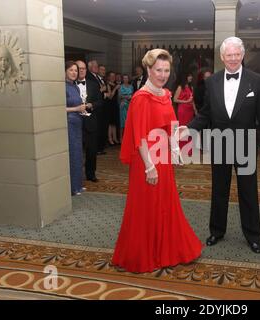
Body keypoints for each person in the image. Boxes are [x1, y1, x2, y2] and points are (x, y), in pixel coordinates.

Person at [112, 49, 203, 273]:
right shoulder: (140, 98)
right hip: (147, 162)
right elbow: (138, 136)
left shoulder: (165, 94)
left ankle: (167, 250)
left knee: (166, 204)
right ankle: (141, 254)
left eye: (166, 70)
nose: (163, 75)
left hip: (163, 158)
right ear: (148, 70)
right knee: (145, 207)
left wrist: (175, 151)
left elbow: (170, 126)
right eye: (158, 70)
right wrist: (149, 166)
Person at [183, 36, 260, 254]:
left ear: (242, 55)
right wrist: (189, 128)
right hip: (220, 143)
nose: (233, 59)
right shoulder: (212, 81)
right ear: (222, 57)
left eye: (236, 54)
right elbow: (205, 113)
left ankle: (253, 235)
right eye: (228, 55)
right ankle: (216, 231)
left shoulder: (257, 81)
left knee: (248, 191)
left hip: (246, 144)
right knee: (219, 190)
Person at [64, 61, 86, 195]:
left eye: (76, 71)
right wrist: (76, 108)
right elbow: (58, 108)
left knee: (78, 154)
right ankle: (72, 188)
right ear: (65, 71)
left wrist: (82, 109)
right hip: (69, 123)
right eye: (71, 70)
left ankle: (78, 185)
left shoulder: (76, 87)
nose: (74, 73)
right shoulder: (62, 87)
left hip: (78, 123)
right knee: (72, 154)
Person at [174, 73, 197, 153]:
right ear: (185, 77)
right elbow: (175, 99)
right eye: (189, 75)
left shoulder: (191, 87)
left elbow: (193, 100)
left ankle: (188, 150)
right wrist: (186, 101)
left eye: (191, 76)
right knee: (183, 128)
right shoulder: (180, 87)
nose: (191, 77)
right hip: (183, 110)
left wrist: (195, 110)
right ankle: (181, 149)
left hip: (190, 110)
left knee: (189, 128)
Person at [106, 71, 121, 145]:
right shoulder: (108, 84)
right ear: (108, 77)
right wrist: (115, 88)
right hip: (110, 105)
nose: (113, 77)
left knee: (114, 122)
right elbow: (110, 96)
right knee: (110, 123)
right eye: (111, 76)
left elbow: (118, 96)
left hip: (115, 105)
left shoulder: (115, 84)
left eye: (114, 76)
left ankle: (115, 138)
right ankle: (110, 139)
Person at [119, 74, 134, 139]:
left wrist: (131, 97)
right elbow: (119, 96)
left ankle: (127, 138)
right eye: (124, 78)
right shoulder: (121, 86)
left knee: (129, 122)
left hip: (129, 105)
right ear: (123, 79)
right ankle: (121, 138)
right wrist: (127, 96)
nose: (125, 79)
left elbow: (133, 95)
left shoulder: (131, 86)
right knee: (122, 123)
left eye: (126, 78)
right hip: (123, 105)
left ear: (128, 79)